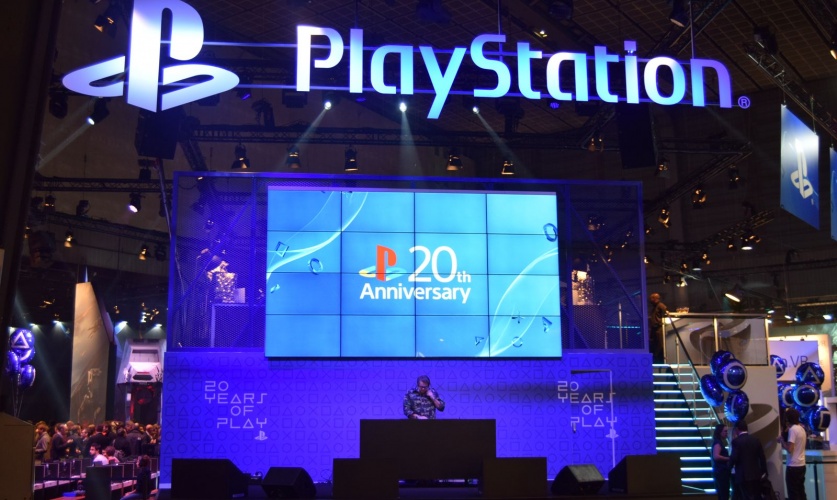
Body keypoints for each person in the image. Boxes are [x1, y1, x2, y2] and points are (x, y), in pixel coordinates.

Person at [729, 420, 767, 500]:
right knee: (756, 496)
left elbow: (734, 457)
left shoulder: (736, 442)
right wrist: (764, 471)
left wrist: (728, 467)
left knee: (745, 496)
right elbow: (762, 457)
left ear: (737, 429)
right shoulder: (755, 440)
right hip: (756, 474)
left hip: (743, 475)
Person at [778, 407, 807, 500]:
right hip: (802, 465)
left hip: (793, 466)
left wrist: (782, 440)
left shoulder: (793, 430)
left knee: (793, 493)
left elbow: (790, 449)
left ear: (788, 418)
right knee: (801, 491)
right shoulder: (802, 429)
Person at [711, 423, 731, 500]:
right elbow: (716, 456)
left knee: (723, 493)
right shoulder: (718, 443)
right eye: (725, 431)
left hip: (720, 471)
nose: (726, 433)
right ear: (720, 432)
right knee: (723, 493)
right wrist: (728, 458)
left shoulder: (719, 442)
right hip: (721, 472)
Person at [648, 292, 667, 363]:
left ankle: (660, 360)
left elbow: (665, 314)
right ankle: (656, 359)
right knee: (654, 345)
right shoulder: (655, 307)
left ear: (656, 298)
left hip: (658, 328)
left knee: (659, 345)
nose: (650, 300)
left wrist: (660, 322)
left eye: (652, 298)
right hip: (654, 329)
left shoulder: (661, 306)